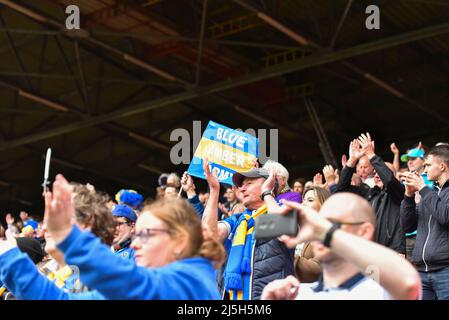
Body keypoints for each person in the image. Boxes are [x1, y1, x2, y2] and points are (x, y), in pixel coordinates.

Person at [2, 174, 225, 300]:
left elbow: (137, 284)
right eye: (136, 235)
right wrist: (9, 255)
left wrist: (70, 238)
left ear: (180, 240)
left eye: (146, 234)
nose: (135, 243)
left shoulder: (192, 283)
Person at [261, 193, 421, 300]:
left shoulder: (381, 290)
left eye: (331, 224)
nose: (318, 231)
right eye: (318, 222)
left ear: (363, 231)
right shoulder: (298, 294)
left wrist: (324, 230)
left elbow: (409, 282)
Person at [0, 183, 115, 300]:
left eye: (55, 218)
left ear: (85, 225)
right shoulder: (44, 272)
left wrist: (12, 260)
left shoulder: (102, 278)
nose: (45, 228)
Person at [202, 160, 294, 300]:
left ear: (267, 184)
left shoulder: (285, 209)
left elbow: (281, 228)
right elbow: (209, 235)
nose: (242, 189)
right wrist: (214, 191)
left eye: (249, 184)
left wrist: (267, 193)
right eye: (241, 185)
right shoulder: (239, 220)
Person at [339, 133, 406, 254]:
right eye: (375, 172)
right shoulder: (368, 193)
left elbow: (390, 181)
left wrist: (371, 155)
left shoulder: (399, 192)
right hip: (370, 252)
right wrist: (352, 161)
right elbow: (341, 190)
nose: (377, 174)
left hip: (392, 253)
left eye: (380, 171)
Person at [400, 145, 449, 299]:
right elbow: (408, 226)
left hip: (445, 270)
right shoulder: (430, 192)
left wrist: (422, 188)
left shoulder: (427, 192)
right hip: (422, 271)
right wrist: (408, 196)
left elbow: (445, 216)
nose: (425, 171)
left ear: (442, 166)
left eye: (428, 165)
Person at [294, 186, 330, 283]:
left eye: (310, 200)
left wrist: (286, 255)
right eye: (303, 200)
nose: (303, 204)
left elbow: (318, 268)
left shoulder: (328, 232)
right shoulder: (298, 231)